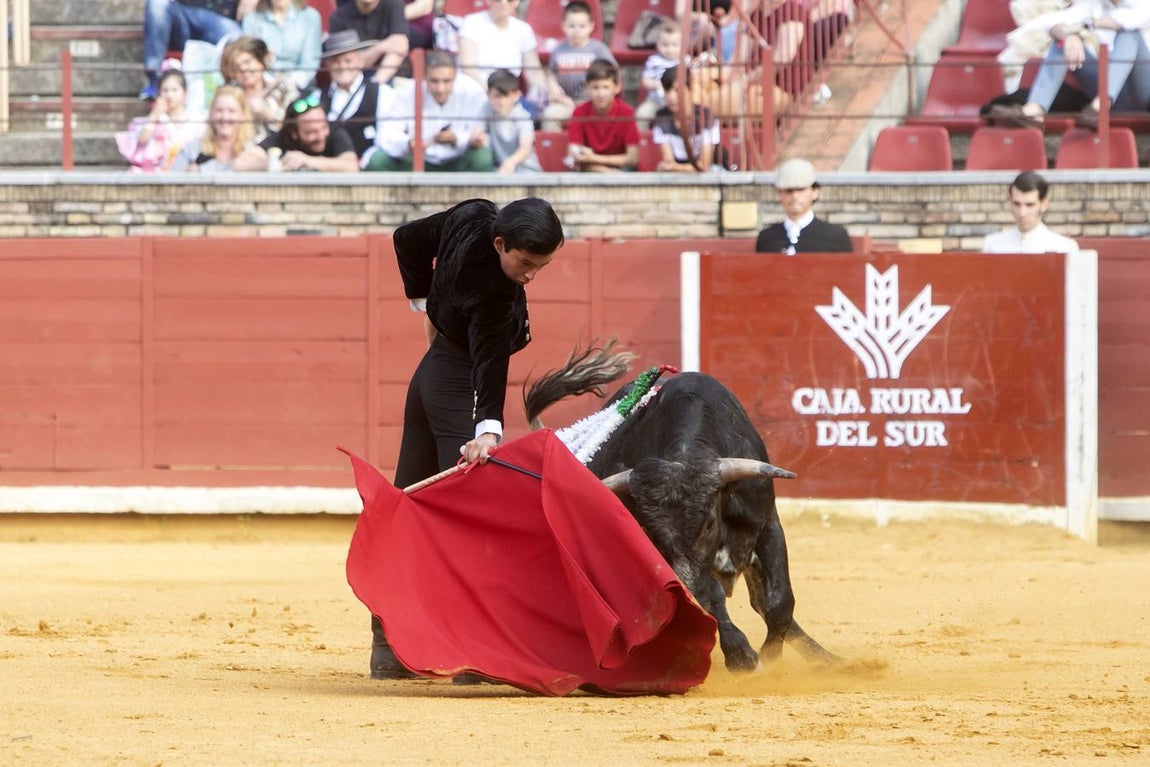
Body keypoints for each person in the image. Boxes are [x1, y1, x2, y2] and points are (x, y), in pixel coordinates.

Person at [367, 196, 565, 681]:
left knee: (409, 505)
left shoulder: (473, 213)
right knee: (472, 514)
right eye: (525, 263)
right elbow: (490, 363)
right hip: (456, 385)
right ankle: (477, 652)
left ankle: (387, 646)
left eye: (542, 266)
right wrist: (487, 430)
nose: (531, 275)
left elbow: (406, 237)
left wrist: (422, 301)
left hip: (428, 381)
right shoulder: (494, 291)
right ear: (501, 243)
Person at [987, 0, 1150, 130]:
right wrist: (1069, 36)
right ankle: (1034, 111)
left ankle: (1101, 105)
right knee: (1061, 43)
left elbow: (1129, 21)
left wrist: (1084, 26)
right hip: (1107, 91)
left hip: (1143, 91)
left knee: (1130, 35)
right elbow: (1052, 25)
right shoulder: (1093, 4)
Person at [367, 51, 493, 172]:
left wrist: (457, 139)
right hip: (418, 160)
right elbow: (387, 132)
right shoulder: (409, 92)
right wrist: (409, 144)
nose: (440, 88)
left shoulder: (471, 92)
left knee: (482, 158)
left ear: (455, 77)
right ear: (424, 77)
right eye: (434, 81)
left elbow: (483, 134)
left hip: (459, 159)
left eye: (447, 81)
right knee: (378, 160)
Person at [141, 0, 255, 100]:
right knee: (157, 2)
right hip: (184, 15)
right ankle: (155, 79)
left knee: (237, 38)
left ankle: (238, 87)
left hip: (222, 19)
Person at [319, 30, 399, 165]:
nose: (342, 66)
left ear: (360, 62)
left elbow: (390, 137)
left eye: (348, 61)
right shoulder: (317, 97)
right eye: (335, 62)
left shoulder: (383, 94)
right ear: (328, 66)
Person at [457, 0, 550, 112]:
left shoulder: (523, 29)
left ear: (516, 2)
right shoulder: (471, 23)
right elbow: (468, 68)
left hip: (510, 95)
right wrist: (494, 93)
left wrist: (543, 90)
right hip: (477, 92)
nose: (503, 3)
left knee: (533, 113)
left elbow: (534, 71)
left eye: (509, 0)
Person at [538, 1, 617, 132]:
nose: (576, 31)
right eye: (572, 26)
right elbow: (551, 74)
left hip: (593, 102)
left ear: (591, 26)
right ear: (563, 26)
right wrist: (555, 90)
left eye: (582, 26)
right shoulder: (559, 50)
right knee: (549, 116)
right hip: (565, 102)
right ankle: (554, 150)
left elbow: (613, 73)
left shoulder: (598, 49)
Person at [755, 157, 852, 254]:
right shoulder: (767, 237)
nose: (795, 196)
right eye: (789, 191)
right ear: (779, 194)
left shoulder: (834, 236)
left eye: (801, 190)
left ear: (815, 192)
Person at [117, 69, 204, 172]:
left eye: (174, 90)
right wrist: (154, 115)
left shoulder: (195, 119)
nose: (169, 95)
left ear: (185, 93)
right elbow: (142, 140)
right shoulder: (159, 119)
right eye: (165, 90)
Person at [170, 84, 269, 171]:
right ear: (211, 114)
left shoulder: (253, 151)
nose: (224, 117)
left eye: (231, 111)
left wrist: (200, 171)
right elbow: (171, 183)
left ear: (243, 115)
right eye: (219, 110)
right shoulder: (192, 150)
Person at [566, 58, 640, 172]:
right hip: (592, 167)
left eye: (606, 87)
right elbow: (573, 151)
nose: (601, 94)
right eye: (595, 87)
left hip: (619, 167)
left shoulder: (626, 112)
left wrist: (595, 159)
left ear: (617, 88)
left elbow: (633, 158)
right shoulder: (579, 112)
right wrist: (606, 171)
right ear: (587, 88)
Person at [220, 36, 296, 142]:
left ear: (260, 61)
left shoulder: (284, 86)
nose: (243, 69)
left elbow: (296, 130)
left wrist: (265, 113)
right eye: (236, 67)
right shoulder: (229, 97)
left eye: (247, 62)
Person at [982, 172, 1080, 253]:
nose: (1022, 213)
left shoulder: (1064, 248)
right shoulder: (992, 245)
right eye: (1017, 204)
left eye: (1030, 205)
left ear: (1044, 204)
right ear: (1010, 202)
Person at [267, 91, 361, 171]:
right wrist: (276, 164)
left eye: (324, 128)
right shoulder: (283, 136)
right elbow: (255, 157)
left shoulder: (335, 132)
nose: (320, 136)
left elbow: (351, 167)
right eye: (311, 132)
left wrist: (306, 160)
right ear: (294, 133)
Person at [651, 66, 723, 172]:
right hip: (678, 176)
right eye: (667, 90)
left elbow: (704, 166)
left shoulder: (707, 117)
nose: (671, 97)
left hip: (713, 171)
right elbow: (669, 162)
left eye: (677, 90)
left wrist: (674, 167)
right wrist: (673, 168)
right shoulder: (661, 118)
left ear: (690, 90)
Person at [240, 0, 323, 92]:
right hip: (262, 84)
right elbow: (250, 57)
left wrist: (290, 83)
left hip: (300, 86)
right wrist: (268, 82)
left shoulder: (310, 17)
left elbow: (310, 62)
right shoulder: (252, 18)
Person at [329, 0, 411, 84]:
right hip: (354, 81)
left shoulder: (394, 5)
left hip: (394, 77)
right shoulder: (339, 16)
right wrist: (381, 47)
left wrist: (375, 85)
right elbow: (347, 62)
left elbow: (400, 45)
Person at [478, 69, 542, 174]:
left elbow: (525, 148)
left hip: (526, 170)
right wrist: (477, 137)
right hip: (498, 170)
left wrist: (510, 163)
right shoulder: (487, 108)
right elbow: (477, 131)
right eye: (497, 96)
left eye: (506, 96)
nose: (501, 102)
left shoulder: (523, 116)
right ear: (488, 94)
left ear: (516, 95)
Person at [636, 22, 683, 128]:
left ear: (682, 45)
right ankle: (642, 140)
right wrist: (657, 84)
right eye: (665, 45)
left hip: (679, 102)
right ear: (658, 45)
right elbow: (645, 80)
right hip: (655, 101)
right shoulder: (653, 61)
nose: (670, 49)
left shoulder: (685, 61)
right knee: (641, 115)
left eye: (675, 45)